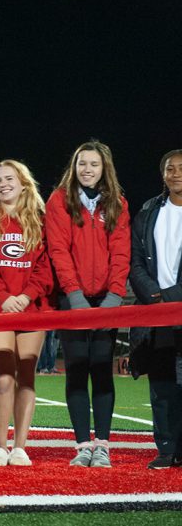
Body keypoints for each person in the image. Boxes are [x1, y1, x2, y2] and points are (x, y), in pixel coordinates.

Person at [46, 141, 130, 468]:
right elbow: (58, 250)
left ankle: (103, 445)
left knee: (102, 369)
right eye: (82, 163)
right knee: (78, 369)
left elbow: (121, 253)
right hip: (73, 299)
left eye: (94, 164)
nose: (87, 170)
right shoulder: (59, 201)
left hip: (106, 298)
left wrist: (114, 296)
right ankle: (83, 445)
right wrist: (74, 294)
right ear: (74, 166)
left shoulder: (118, 204)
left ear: (103, 168)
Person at [0, 159, 53, 467]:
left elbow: (47, 264)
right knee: (3, 376)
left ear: (24, 183)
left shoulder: (41, 219)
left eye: (9, 178)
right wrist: (4, 297)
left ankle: (20, 447)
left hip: (33, 307)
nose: (3, 184)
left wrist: (27, 295)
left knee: (26, 375)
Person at [129, 148, 182, 470]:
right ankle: (165, 449)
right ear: (163, 175)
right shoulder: (148, 211)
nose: (177, 173)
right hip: (156, 313)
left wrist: (172, 295)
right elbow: (135, 261)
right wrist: (154, 295)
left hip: (175, 307)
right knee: (161, 386)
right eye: (170, 168)